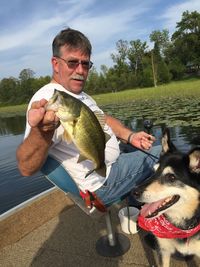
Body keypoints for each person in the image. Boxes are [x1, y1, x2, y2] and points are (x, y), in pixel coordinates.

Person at [16, 28, 161, 207]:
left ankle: (136, 204)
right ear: (55, 64)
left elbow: (103, 118)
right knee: (167, 154)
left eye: (85, 64)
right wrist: (42, 131)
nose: (80, 70)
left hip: (112, 162)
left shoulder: (78, 94)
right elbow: (26, 168)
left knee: (153, 144)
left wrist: (129, 136)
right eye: (72, 62)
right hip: (102, 182)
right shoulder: (47, 99)